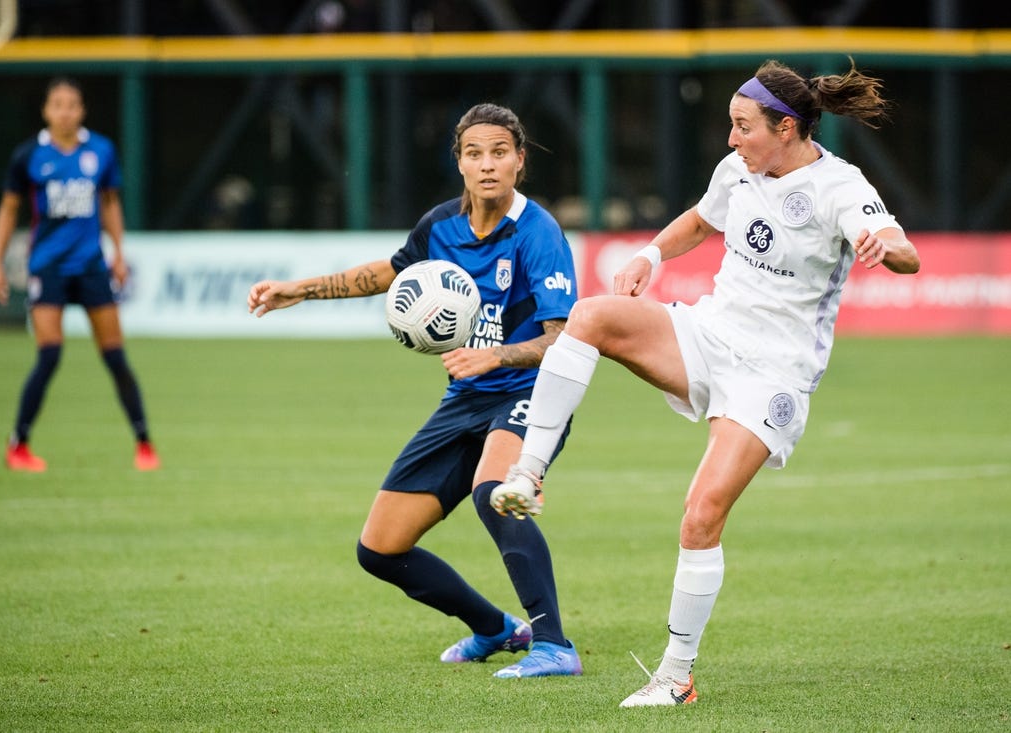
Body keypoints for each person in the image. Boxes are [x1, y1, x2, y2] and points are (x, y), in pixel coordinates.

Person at [489, 59, 921, 705]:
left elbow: (902, 247)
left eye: (743, 127)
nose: (731, 139)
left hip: (772, 374)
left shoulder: (839, 186)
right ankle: (528, 470)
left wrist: (885, 248)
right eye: (730, 125)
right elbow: (698, 219)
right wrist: (648, 254)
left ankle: (675, 676)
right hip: (708, 336)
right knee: (590, 315)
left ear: (787, 128)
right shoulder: (740, 168)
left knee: (701, 515)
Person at [247, 103, 582, 678]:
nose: (487, 165)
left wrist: (496, 354)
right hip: (465, 400)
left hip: (529, 392)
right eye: (474, 154)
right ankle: (496, 629)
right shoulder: (440, 227)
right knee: (379, 548)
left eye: (500, 153)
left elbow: (564, 337)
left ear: (520, 161)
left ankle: (555, 645)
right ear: (459, 162)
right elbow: (393, 272)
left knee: (493, 492)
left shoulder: (538, 233)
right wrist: (300, 289)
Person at [0, 77, 160, 473]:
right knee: (49, 355)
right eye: (58, 104)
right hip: (47, 268)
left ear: (81, 111)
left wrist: (118, 252)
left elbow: (111, 203)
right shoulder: (29, 156)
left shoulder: (100, 150)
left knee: (115, 356)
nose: (65, 111)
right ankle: (19, 446)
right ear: (46, 111)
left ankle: (144, 443)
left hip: (90, 267)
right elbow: (9, 209)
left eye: (72, 104)